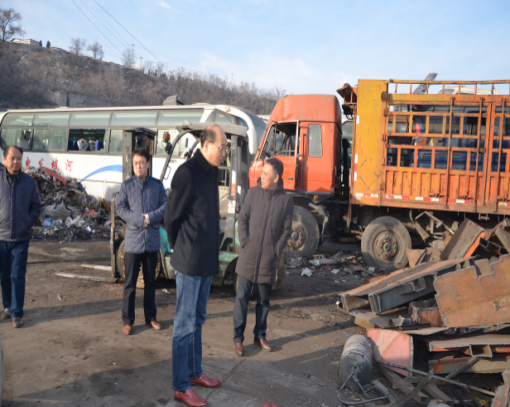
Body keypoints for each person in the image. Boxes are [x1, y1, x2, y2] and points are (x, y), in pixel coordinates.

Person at [165, 125, 226, 407]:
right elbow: (171, 217)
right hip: (189, 261)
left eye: (225, 148)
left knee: (198, 320)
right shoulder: (187, 172)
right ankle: (181, 386)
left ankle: (194, 372)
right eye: (222, 147)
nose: (224, 153)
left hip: (206, 261)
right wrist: (177, 246)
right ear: (206, 145)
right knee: (184, 325)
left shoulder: (211, 172)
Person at [233, 157, 293, 356]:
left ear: (276, 178)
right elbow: (243, 219)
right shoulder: (253, 193)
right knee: (241, 298)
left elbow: (286, 230)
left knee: (264, 302)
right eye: (262, 172)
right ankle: (238, 339)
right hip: (248, 256)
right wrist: (245, 242)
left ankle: (260, 335)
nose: (262, 176)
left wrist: (275, 250)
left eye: (266, 174)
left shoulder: (285, 200)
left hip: (267, 259)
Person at [116, 148, 167, 335]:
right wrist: (140, 219)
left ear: (148, 164)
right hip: (133, 242)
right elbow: (120, 208)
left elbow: (165, 206)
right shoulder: (127, 186)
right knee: (130, 283)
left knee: (151, 282)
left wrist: (150, 217)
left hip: (151, 241)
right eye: (135, 163)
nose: (138, 166)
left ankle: (151, 317)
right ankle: (128, 320)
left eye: (142, 163)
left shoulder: (157, 185)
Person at [0, 146, 41, 328]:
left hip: (20, 239)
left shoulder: (29, 182)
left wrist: (27, 223)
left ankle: (17, 313)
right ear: (4, 159)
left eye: (18, 158)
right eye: (12, 158)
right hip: (1, 238)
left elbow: (36, 207)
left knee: (17, 275)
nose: (15, 161)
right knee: (4, 276)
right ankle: (7, 306)